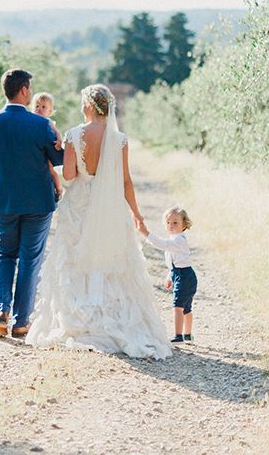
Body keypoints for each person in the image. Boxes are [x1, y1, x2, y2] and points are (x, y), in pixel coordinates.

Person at [26, 84, 171, 359]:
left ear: (90, 106)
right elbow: (126, 181)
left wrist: (64, 155)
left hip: (79, 204)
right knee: (109, 256)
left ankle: (80, 319)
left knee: (75, 258)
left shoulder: (74, 135)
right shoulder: (121, 140)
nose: (82, 108)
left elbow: (68, 176)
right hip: (110, 205)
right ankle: (110, 316)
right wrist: (137, 214)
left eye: (83, 103)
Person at [0, 69, 64, 338]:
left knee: (5, 254)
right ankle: (21, 321)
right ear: (25, 90)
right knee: (30, 259)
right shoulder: (41, 125)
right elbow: (58, 160)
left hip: (5, 199)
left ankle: (1, 309)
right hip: (38, 201)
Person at [138, 207, 198, 344]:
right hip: (180, 274)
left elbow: (163, 244)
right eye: (168, 222)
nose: (171, 225)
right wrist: (170, 276)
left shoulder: (179, 240)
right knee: (186, 308)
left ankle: (179, 336)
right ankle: (188, 335)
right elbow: (174, 263)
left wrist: (146, 233)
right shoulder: (174, 239)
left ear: (184, 225)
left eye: (175, 223)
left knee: (178, 307)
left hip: (185, 276)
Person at [32, 92, 63, 203]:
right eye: (37, 106)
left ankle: (58, 188)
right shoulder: (31, 119)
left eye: (43, 107)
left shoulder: (48, 122)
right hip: (38, 149)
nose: (39, 109)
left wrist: (59, 142)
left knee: (50, 168)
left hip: (49, 151)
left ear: (50, 111)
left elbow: (58, 133)